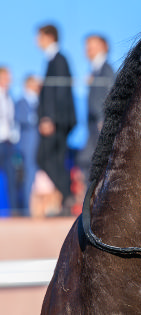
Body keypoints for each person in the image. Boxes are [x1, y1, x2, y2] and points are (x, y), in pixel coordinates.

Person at [36, 24, 77, 215]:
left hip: (56, 122)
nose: (36, 40)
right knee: (56, 159)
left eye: (39, 36)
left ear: (49, 37)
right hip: (57, 121)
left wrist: (49, 119)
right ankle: (66, 199)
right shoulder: (53, 59)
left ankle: (67, 195)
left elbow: (60, 92)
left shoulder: (59, 59)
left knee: (44, 157)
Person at [77, 34, 115, 186]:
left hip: (100, 123)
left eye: (91, 46)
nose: (87, 50)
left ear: (102, 47)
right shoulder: (96, 71)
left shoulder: (105, 70)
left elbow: (109, 93)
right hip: (93, 125)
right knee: (86, 159)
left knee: (93, 160)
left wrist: (102, 118)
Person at [14, 75, 42, 215]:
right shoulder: (21, 102)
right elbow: (20, 118)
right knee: (28, 176)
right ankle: (26, 209)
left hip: (40, 144)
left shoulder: (40, 101)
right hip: (28, 144)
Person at [0, 66, 19, 214]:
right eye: (6, 76)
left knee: (12, 177)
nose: (9, 80)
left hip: (8, 143)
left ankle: (13, 212)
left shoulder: (9, 97)